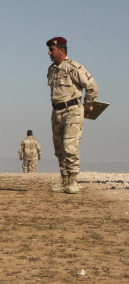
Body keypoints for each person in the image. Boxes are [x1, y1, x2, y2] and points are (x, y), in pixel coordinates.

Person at [46, 37, 98, 194]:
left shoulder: (74, 67)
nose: (49, 53)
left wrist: (88, 104)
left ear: (62, 51)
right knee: (59, 149)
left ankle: (73, 181)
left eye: (52, 50)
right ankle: (64, 180)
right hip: (56, 111)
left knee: (70, 147)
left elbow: (92, 87)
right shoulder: (51, 69)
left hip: (72, 110)